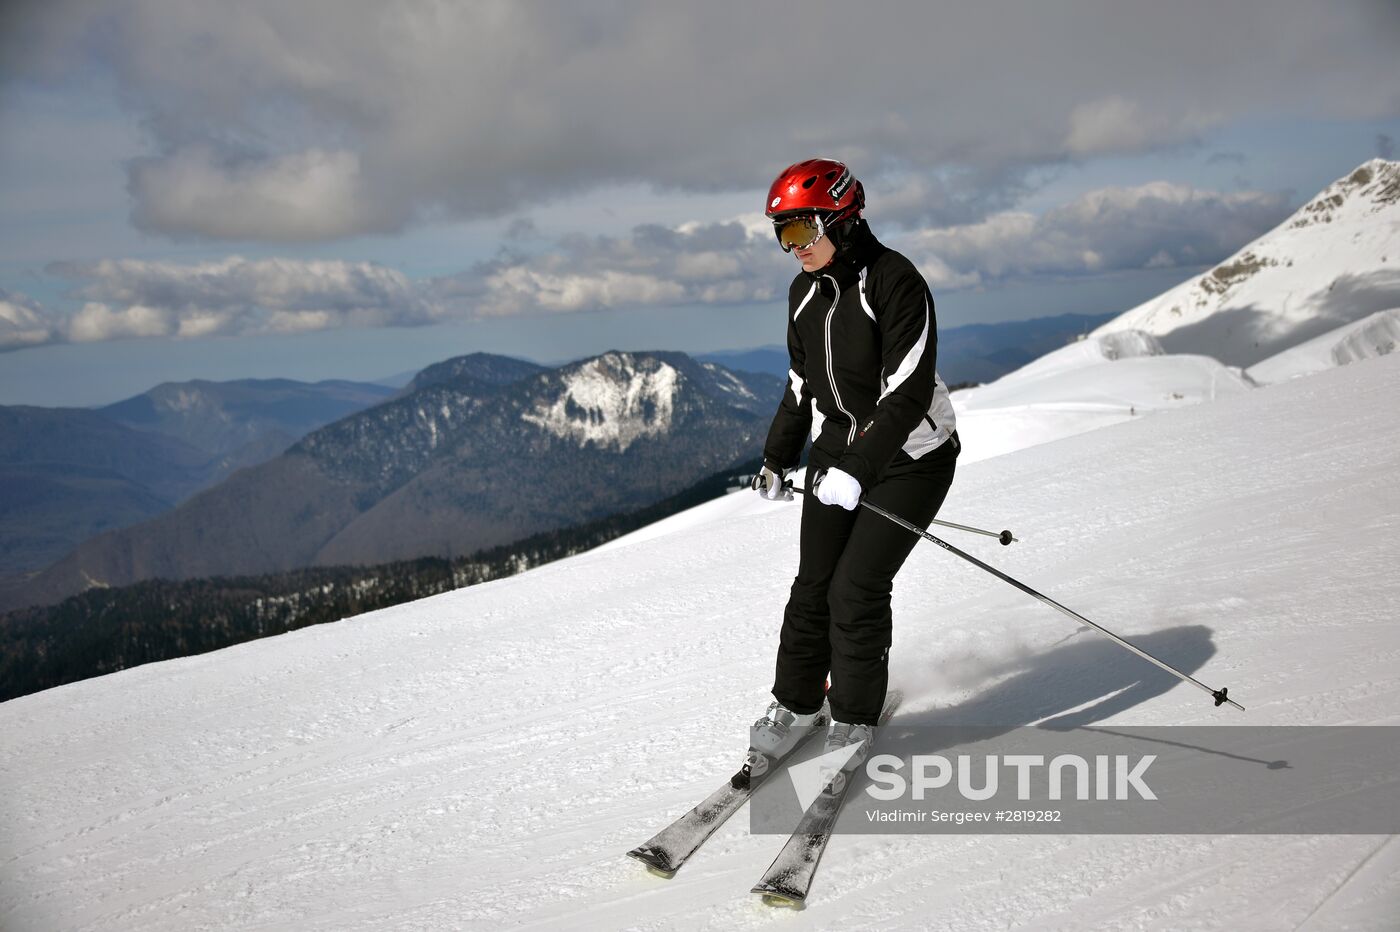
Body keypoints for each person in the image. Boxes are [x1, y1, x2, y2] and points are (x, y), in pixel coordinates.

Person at [748, 158, 959, 771]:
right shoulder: (804, 293)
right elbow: (798, 386)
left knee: (855, 587)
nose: (793, 249)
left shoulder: (895, 282)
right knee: (812, 584)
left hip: (912, 456)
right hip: (840, 450)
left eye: (800, 231)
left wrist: (859, 469)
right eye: (781, 235)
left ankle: (855, 720)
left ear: (841, 218)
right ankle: (797, 706)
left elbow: (909, 392)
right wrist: (776, 457)